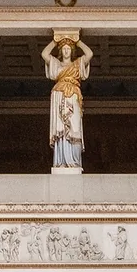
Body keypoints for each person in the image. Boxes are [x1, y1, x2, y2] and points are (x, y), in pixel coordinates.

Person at [42, 34, 93, 171]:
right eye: (64, 49)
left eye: (68, 49)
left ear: (72, 51)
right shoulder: (56, 63)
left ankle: (74, 162)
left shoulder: (78, 63)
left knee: (74, 127)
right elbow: (44, 53)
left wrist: (77, 40)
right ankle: (61, 161)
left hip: (73, 95)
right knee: (61, 129)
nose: (66, 51)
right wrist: (56, 40)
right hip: (59, 94)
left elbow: (89, 53)